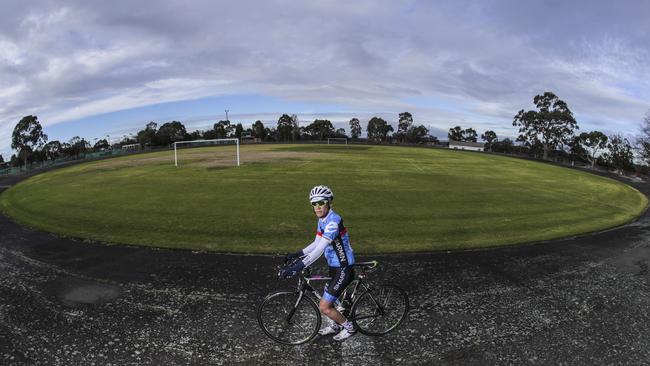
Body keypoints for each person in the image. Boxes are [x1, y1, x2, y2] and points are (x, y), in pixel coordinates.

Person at [280, 185, 356, 341]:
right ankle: (336, 325)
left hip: (343, 268)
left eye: (321, 202)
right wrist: (297, 254)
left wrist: (296, 267)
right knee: (329, 301)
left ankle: (350, 328)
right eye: (314, 204)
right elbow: (316, 243)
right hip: (334, 267)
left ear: (329, 203)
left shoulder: (333, 222)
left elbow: (319, 250)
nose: (317, 207)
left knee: (324, 306)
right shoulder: (322, 220)